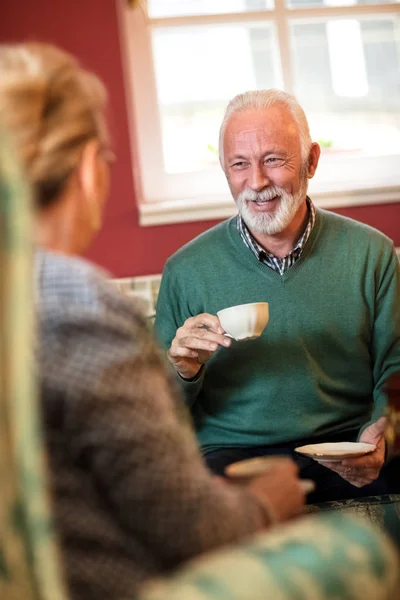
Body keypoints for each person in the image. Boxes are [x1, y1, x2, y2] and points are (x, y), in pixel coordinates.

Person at [0, 45, 308, 600]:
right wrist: (266, 504)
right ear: (90, 170)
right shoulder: (81, 307)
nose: (257, 179)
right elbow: (185, 525)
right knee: (359, 551)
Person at [154, 89, 400, 502]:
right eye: (239, 164)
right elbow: (159, 412)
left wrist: (384, 434)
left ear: (311, 161)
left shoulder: (372, 254)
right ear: (224, 171)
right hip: (232, 456)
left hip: (346, 445)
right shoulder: (185, 270)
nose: (257, 182)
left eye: (273, 159)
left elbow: (396, 364)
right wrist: (183, 371)